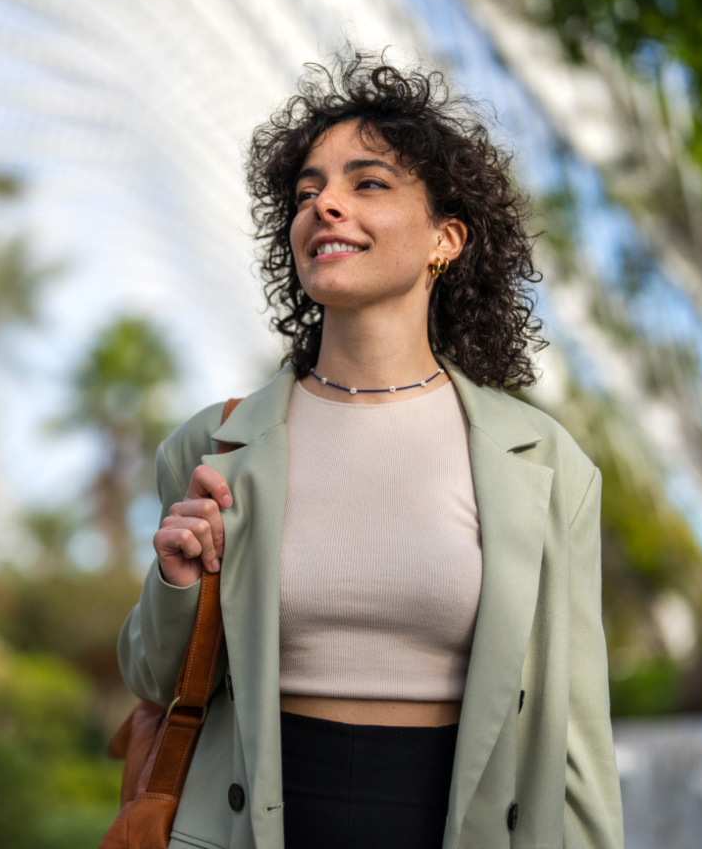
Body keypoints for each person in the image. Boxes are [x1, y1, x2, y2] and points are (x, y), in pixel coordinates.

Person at [117, 53, 623, 849]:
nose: (326, 206)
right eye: (308, 190)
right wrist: (176, 581)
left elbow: (575, 731)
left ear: (446, 239)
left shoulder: (546, 464)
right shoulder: (215, 442)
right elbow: (154, 678)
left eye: (368, 184)